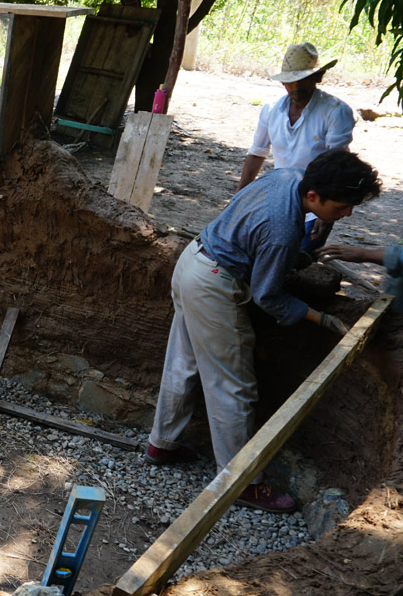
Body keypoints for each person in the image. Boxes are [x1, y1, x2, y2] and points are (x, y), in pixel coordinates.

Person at [145, 149, 381, 513]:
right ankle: (240, 483)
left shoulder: (287, 176)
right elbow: (268, 296)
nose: (347, 213)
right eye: (342, 206)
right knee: (234, 387)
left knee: (184, 361)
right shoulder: (281, 228)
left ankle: (161, 444)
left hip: (193, 261)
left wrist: (302, 244)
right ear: (314, 196)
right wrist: (321, 318)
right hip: (214, 285)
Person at [238, 42, 355, 251]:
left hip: (316, 203)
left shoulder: (336, 111)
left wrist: (327, 216)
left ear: (317, 78)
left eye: (303, 80)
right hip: (278, 197)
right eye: (290, 82)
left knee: (300, 259)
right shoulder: (271, 110)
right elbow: (257, 153)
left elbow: (338, 164)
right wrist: (239, 198)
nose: (295, 88)